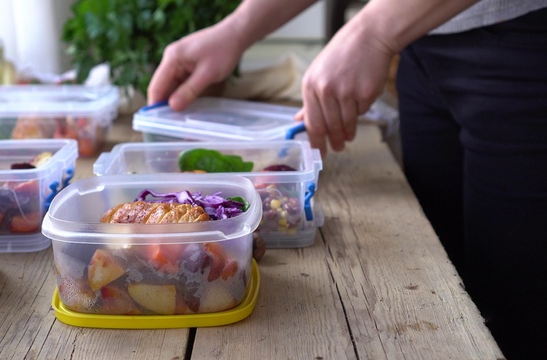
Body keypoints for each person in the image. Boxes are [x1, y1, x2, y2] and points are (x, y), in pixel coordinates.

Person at [147, 0, 547, 358]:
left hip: (523, 44)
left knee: (518, 302)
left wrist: (372, 31)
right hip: (420, 43)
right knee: (452, 276)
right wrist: (237, 29)